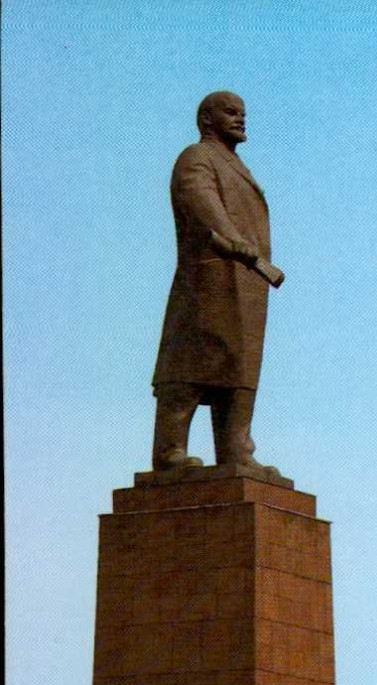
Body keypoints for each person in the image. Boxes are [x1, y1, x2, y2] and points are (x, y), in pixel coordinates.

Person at [151, 91, 283, 472]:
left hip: (248, 283)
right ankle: (170, 451)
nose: (241, 119)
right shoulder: (197, 157)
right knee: (191, 362)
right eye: (230, 112)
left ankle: (236, 450)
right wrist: (233, 237)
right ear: (206, 119)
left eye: (243, 113)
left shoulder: (238, 165)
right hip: (209, 276)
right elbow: (201, 201)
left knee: (240, 367)